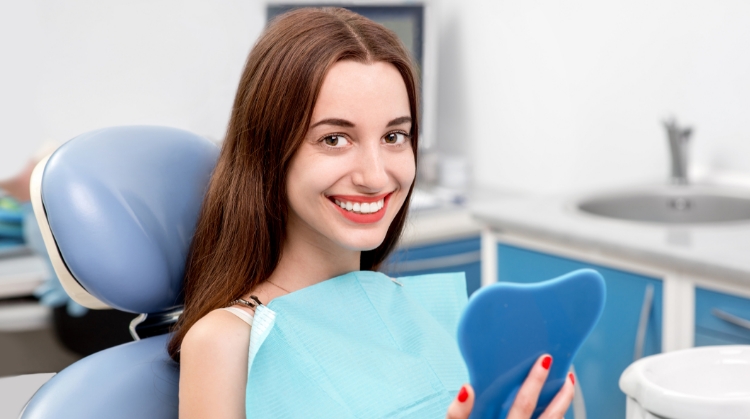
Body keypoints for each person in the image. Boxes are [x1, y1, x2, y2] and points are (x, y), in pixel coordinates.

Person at [170, 7, 574, 419]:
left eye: (394, 136)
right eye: (334, 139)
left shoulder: (423, 315)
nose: (376, 176)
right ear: (270, 152)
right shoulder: (227, 342)